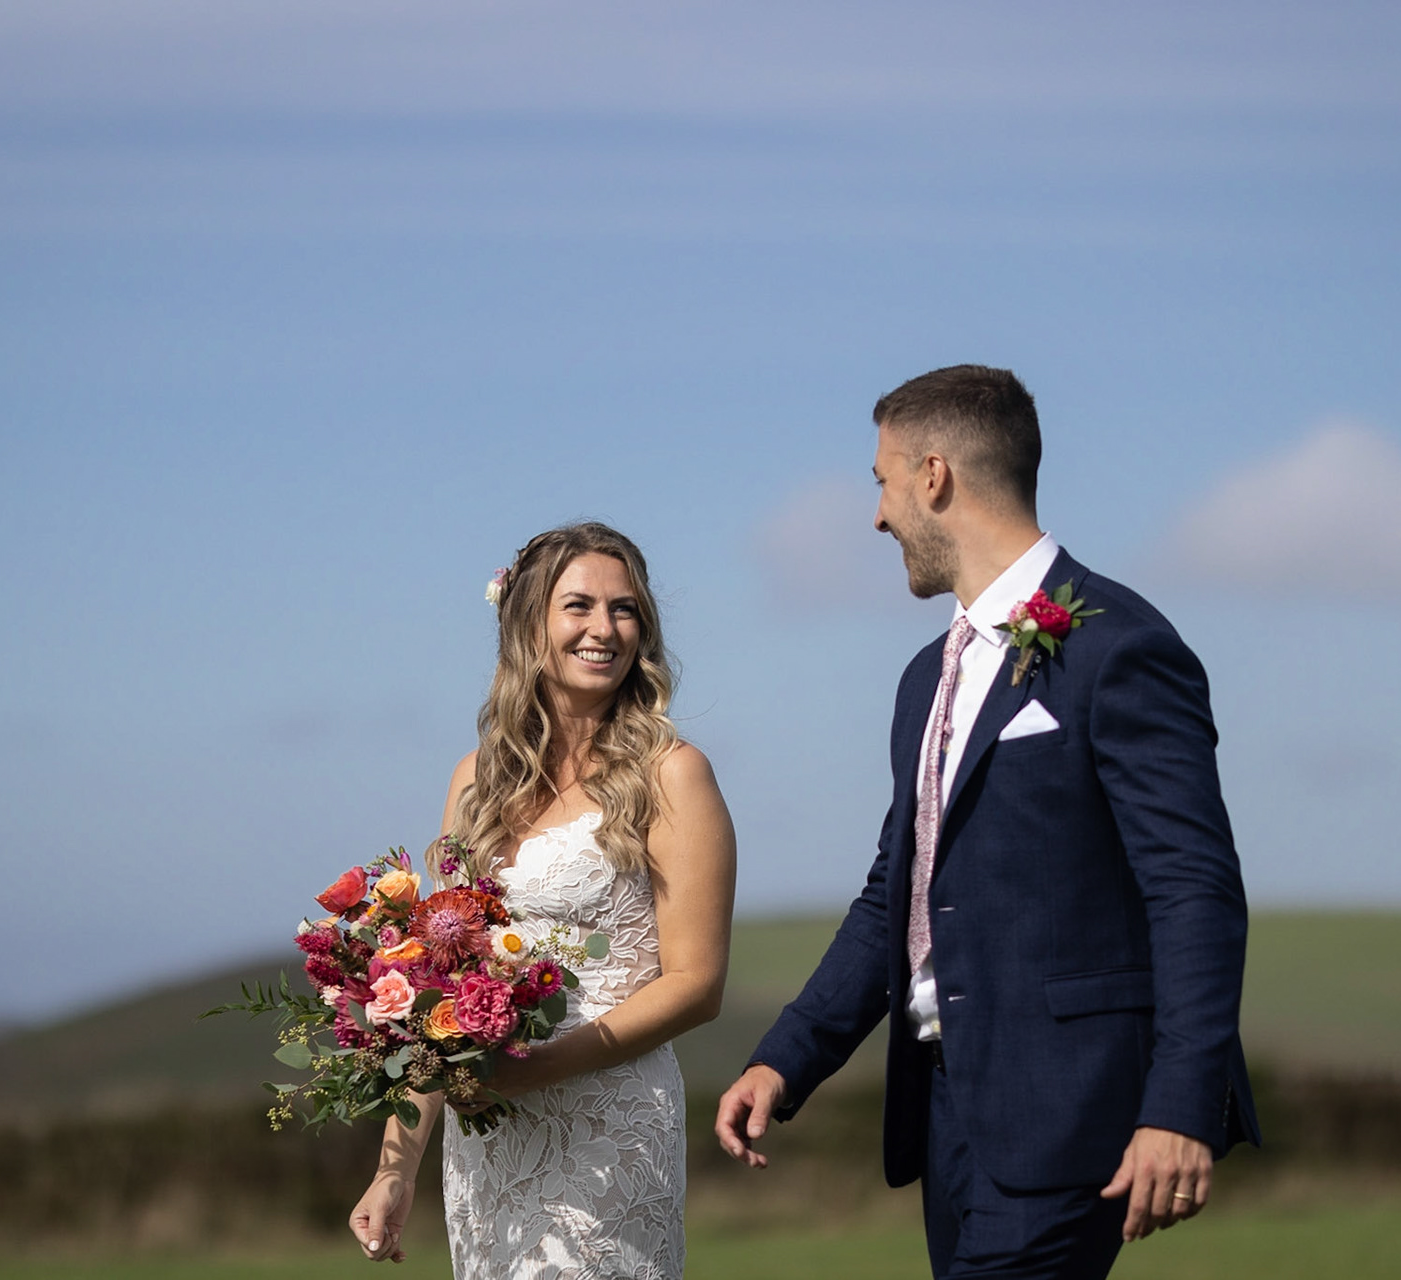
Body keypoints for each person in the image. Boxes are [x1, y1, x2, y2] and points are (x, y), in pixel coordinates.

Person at [716, 366, 1259, 1279]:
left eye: (883, 482)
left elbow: (1193, 887)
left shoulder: (1120, 647)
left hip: (1074, 1110)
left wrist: (1179, 1104)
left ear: (934, 476)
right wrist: (786, 1059)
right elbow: (899, 889)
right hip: (946, 1119)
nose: (879, 516)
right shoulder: (925, 678)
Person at [352, 522, 737, 1278]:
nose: (605, 628)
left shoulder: (674, 776)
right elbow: (436, 994)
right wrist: (396, 1168)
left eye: (625, 609)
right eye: (580, 606)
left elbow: (698, 985)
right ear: (529, 623)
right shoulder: (474, 782)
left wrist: (541, 1067)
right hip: (491, 1140)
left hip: (610, 1132)